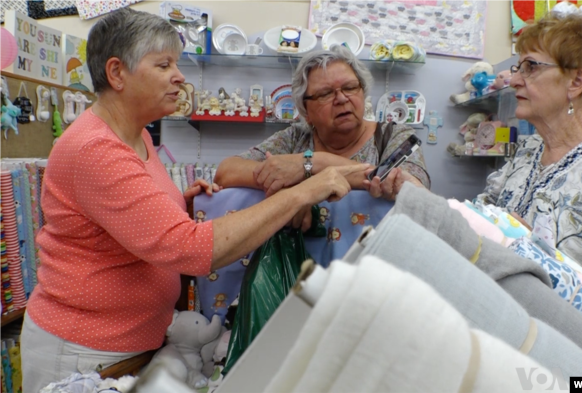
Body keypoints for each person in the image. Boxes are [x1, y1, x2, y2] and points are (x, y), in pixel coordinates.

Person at [20, 8, 364, 391]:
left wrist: (180, 208)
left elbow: (128, 226)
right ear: (117, 73)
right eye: (164, 64)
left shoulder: (137, 136)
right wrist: (304, 190)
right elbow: (190, 250)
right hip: (86, 353)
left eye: (178, 64)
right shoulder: (96, 149)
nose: (179, 76)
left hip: (132, 344)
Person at [473, 14, 582, 312]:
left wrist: (546, 262)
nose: (515, 78)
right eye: (519, 67)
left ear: (577, 82)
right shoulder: (529, 149)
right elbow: (485, 213)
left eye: (531, 67)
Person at [215, 45, 430, 229]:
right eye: (326, 93)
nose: (342, 99)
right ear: (306, 112)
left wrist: (311, 164)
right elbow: (226, 172)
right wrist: (294, 193)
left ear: (363, 92)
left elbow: (416, 191)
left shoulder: (392, 134)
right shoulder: (295, 138)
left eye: (350, 87)